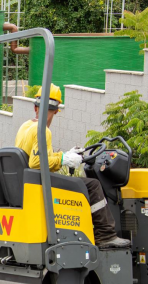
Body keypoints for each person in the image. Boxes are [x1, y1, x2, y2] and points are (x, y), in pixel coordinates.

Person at [15, 83, 130, 248]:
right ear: (56, 111)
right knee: (94, 185)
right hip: (41, 183)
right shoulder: (43, 131)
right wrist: (63, 160)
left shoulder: (25, 127)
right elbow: (36, 162)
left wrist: (66, 155)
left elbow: (38, 157)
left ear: (35, 107)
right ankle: (105, 235)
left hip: (30, 182)